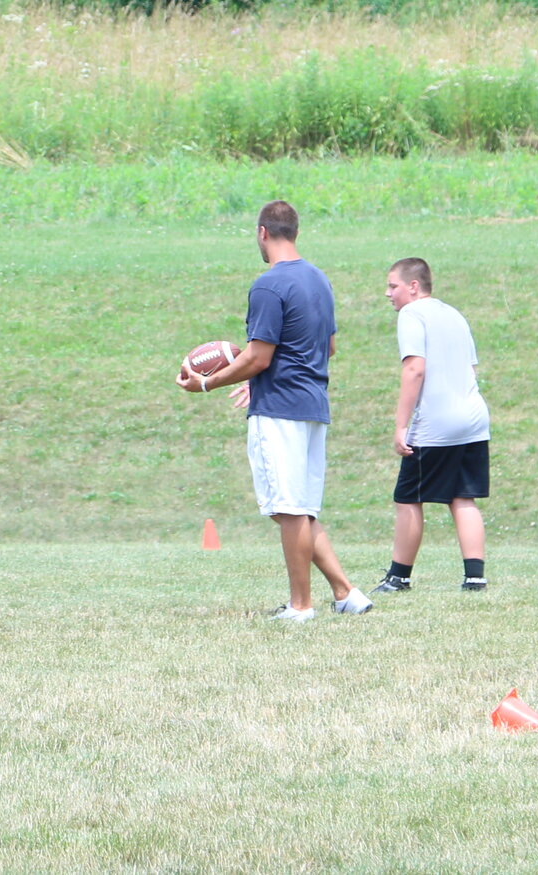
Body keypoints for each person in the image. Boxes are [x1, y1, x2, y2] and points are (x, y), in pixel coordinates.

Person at [179, 200, 370, 621]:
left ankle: (301, 606)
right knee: (298, 508)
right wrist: (258, 375)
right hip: (313, 404)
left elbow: (258, 356)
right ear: (294, 232)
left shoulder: (268, 285)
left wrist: (207, 381)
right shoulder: (319, 280)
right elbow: (328, 347)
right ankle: (346, 593)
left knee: (287, 510)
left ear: (262, 233)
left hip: (280, 408)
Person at [375, 258, 490, 593]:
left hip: (437, 421)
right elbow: (469, 368)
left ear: (414, 286)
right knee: (462, 497)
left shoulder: (412, 314)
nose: (388, 294)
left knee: (408, 497)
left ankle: (399, 577)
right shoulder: (453, 313)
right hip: (473, 417)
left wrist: (401, 426)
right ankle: (475, 577)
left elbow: (415, 369)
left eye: (393, 286)